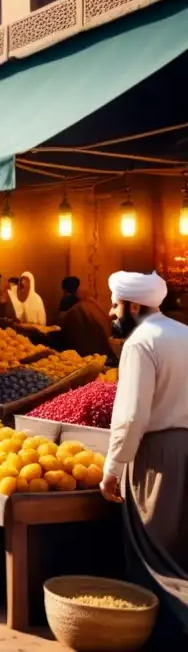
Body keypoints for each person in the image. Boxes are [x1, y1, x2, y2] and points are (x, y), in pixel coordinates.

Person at [101, 271, 188, 633]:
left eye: (115, 304)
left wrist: (113, 467)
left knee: (154, 551)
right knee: (181, 547)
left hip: (158, 455)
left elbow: (131, 415)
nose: (110, 312)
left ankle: (161, 630)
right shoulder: (184, 333)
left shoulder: (140, 344)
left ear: (133, 306)